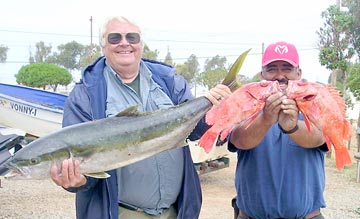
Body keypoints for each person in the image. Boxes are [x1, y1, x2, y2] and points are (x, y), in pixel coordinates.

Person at [49, 16, 231, 219]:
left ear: (141, 44)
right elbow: (85, 168)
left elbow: (196, 130)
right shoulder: (85, 95)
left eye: (132, 37)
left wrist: (216, 105)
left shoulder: (169, 81)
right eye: (115, 38)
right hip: (122, 213)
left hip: (175, 211)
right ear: (103, 46)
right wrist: (78, 181)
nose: (124, 43)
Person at [229, 41, 327, 219]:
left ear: (299, 73)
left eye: (287, 68)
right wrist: (265, 119)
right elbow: (239, 140)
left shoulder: (313, 102)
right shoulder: (247, 104)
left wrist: (292, 127)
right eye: (272, 69)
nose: (280, 75)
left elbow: (319, 138)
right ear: (262, 75)